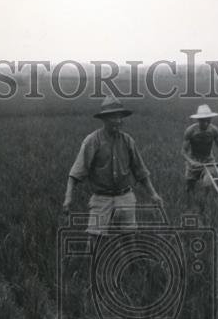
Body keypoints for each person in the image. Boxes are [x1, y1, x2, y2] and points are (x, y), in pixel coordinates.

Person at [63, 95, 164, 236]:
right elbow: (76, 173)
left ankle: (128, 258)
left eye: (120, 117)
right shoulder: (93, 141)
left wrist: (153, 194)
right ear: (104, 119)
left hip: (125, 196)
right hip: (101, 198)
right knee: (95, 239)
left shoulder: (128, 141)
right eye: (113, 117)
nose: (117, 121)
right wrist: (68, 198)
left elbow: (140, 171)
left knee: (130, 238)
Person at [182, 104, 218, 195]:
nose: (206, 123)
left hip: (208, 160)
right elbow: (183, 151)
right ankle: (190, 203)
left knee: (207, 183)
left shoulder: (213, 130)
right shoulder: (191, 131)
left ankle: (205, 202)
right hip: (194, 161)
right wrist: (191, 162)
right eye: (203, 121)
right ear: (198, 120)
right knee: (189, 189)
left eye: (208, 120)